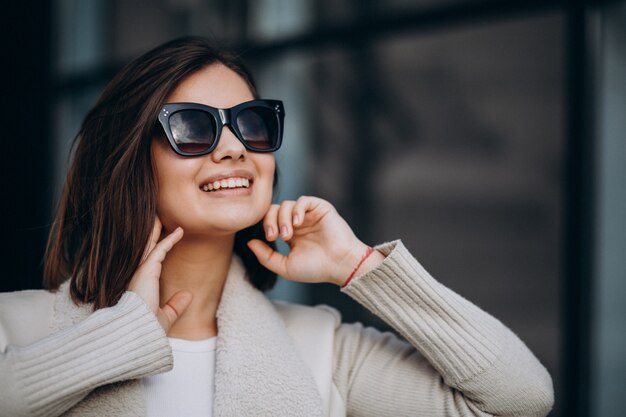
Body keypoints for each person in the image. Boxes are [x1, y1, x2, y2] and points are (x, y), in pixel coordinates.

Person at [0, 37, 554, 417]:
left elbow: (521, 399)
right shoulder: (17, 329)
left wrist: (361, 267)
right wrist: (118, 338)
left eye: (251, 123)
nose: (234, 147)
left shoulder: (320, 348)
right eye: (192, 127)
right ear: (127, 161)